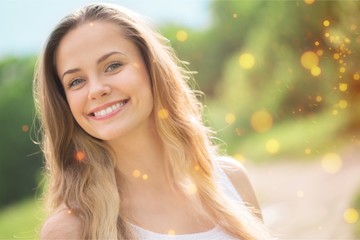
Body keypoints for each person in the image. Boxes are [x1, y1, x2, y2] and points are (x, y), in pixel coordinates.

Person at [34, 3, 273, 239]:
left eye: (113, 65)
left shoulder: (231, 179)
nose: (96, 90)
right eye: (75, 81)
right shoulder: (71, 230)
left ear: (152, 67)